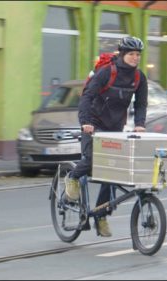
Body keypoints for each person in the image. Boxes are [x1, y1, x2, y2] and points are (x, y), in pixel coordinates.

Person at [65, 36, 148, 237]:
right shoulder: (106, 72)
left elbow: (141, 103)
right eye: (131, 54)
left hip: (115, 127)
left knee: (112, 171)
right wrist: (86, 122)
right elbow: (87, 97)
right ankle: (72, 177)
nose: (135, 58)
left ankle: (101, 215)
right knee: (94, 160)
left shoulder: (139, 77)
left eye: (138, 54)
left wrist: (139, 124)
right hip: (93, 124)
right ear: (122, 54)